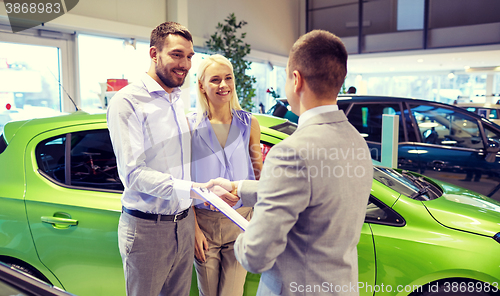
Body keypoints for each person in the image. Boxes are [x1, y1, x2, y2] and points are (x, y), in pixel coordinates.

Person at [212, 30, 373, 296]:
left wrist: (242, 236)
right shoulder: (356, 141)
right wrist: (239, 188)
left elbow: (255, 256)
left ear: (296, 80)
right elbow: (314, 189)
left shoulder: (292, 152)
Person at [107, 22, 209, 296]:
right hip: (147, 230)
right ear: (154, 54)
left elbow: (181, 163)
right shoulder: (127, 102)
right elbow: (133, 174)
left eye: (189, 57)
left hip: (184, 224)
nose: (185, 64)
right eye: (177, 54)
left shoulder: (176, 98)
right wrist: (191, 189)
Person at [188, 54, 263, 296]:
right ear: (201, 85)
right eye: (215, 80)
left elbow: (260, 178)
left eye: (228, 78)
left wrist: (257, 222)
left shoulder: (249, 123)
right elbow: (185, 182)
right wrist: (194, 229)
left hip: (241, 221)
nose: (223, 85)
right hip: (204, 222)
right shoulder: (189, 126)